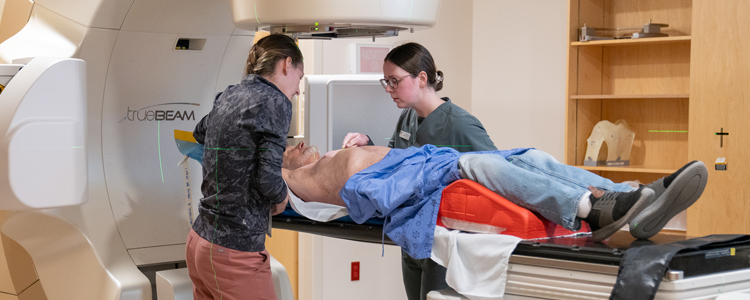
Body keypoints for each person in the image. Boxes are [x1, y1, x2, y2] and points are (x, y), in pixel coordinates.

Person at [281, 143, 707, 259]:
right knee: (484, 168)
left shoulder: (331, 151)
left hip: (419, 162)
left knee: (531, 156)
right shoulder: (284, 175)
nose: (299, 142)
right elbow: (260, 191)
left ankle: (630, 195)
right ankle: (592, 208)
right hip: (399, 184)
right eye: (290, 145)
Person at [341, 42, 497, 300]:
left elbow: (496, 170)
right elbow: (393, 162)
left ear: (422, 78)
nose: (389, 89)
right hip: (410, 238)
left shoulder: (460, 124)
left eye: (394, 81)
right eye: (386, 82)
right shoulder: (408, 118)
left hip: (443, 242)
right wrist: (367, 145)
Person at [186, 34, 303, 300]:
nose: (297, 89)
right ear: (286, 65)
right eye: (300, 76)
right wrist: (282, 196)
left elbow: (200, 133)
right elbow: (269, 181)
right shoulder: (277, 102)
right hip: (234, 252)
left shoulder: (230, 94)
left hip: (200, 242)